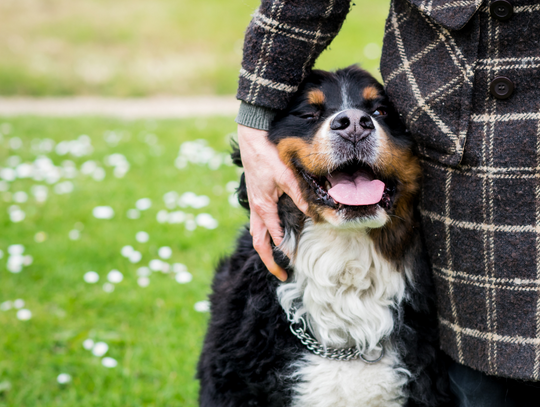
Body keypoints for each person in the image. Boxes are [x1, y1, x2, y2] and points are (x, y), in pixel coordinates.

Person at [235, 0, 540, 405]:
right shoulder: (240, 323)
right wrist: (254, 118)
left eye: (377, 112)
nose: (354, 123)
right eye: (313, 116)